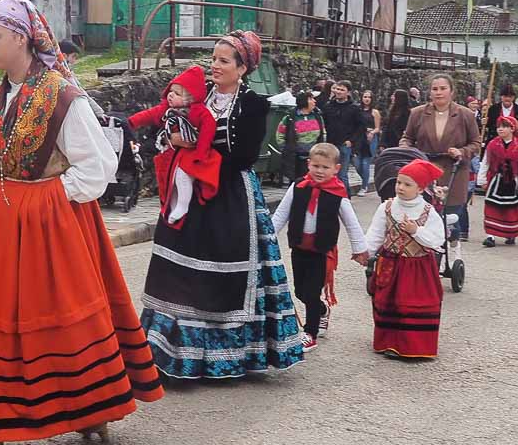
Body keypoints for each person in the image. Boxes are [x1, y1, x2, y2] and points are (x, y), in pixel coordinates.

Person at [0, 0, 162, 445]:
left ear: (21, 37)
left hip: (50, 225)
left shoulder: (62, 95)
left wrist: (45, 200)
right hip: (2, 222)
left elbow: (97, 167)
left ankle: (90, 406)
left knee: (59, 316)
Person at [138, 30, 306, 380]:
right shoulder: (197, 98)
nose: (214, 66)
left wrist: (196, 154)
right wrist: (172, 142)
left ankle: (228, 355)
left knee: (229, 268)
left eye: (223, 61)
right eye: (213, 59)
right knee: (179, 267)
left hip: (230, 193)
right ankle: (169, 349)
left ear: (242, 68)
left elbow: (243, 157)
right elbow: (165, 124)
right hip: (191, 191)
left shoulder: (255, 105)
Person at [269, 143, 368, 353]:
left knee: (312, 292)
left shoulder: (338, 193)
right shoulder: (297, 187)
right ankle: (322, 311)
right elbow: (280, 214)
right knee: (300, 291)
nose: (320, 171)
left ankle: (309, 333)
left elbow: (352, 223)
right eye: (316, 166)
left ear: (336, 169)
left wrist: (360, 249)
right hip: (298, 247)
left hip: (321, 252)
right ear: (308, 165)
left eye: (325, 167)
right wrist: (266, 237)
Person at [364, 159, 447, 360]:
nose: (400, 187)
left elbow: (437, 240)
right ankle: (390, 342)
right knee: (387, 301)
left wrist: (416, 231)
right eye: (398, 182)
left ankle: (414, 345)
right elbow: (375, 234)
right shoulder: (387, 207)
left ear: (420, 188)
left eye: (407, 184)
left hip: (417, 267)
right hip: (390, 263)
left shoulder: (428, 211)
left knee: (411, 303)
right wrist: (364, 252)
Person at [127, 65, 222, 226]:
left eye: (177, 93)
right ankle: (173, 203)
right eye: (170, 91)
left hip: (192, 154)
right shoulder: (167, 109)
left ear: (189, 98)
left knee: (182, 175)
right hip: (173, 152)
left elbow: (207, 130)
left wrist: (201, 152)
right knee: (169, 178)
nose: (171, 95)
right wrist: (132, 122)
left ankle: (182, 204)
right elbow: (150, 114)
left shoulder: (198, 112)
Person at [400, 73, 482, 241]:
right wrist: (405, 148)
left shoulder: (465, 115)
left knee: (449, 219)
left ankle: (450, 248)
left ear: (452, 92)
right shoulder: (417, 113)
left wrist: (462, 152)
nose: (438, 92)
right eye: (434, 89)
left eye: (443, 88)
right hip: (424, 172)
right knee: (424, 218)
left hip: (454, 172)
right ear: (429, 92)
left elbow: (476, 143)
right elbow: (407, 137)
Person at [476, 115, 518, 247]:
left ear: (512, 129)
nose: (500, 129)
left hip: (513, 181)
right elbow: (486, 162)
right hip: (496, 180)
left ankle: (511, 233)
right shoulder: (493, 144)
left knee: (511, 208)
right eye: (499, 127)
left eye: (504, 127)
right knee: (491, 206)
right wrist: (482, 179)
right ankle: (490, 236)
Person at [320, 81, 365, 194]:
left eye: (342, 90)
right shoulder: (328, 106)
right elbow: (323, 122)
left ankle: (345, 197)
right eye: (337, 89)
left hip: (344, 144)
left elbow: (360, 126)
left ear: (348, 92)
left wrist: (352, 140)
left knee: (342, 174)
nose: (338, 92)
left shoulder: (354, 108)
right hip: (330, 144)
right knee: (329, 172)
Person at [276, 87, 327, 181]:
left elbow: (323, 133)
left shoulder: (317, 116)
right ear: (304, 102)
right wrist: (286, 150)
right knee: (297, 183)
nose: (314, 101)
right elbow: (280, 135)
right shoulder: (290, 118)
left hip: (313, 158)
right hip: (296, 159)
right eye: (311, 99)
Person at [356, 89, 381, 193]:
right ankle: (365, 180)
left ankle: (364, 186)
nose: (366, 99)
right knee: (357, 163)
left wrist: (371, 133)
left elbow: (377, 128)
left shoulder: (375, 112)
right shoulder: (357, 110)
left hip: (370, 138)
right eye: (365, 97)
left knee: (366, 162)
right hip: (359, 137)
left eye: (369, 97)